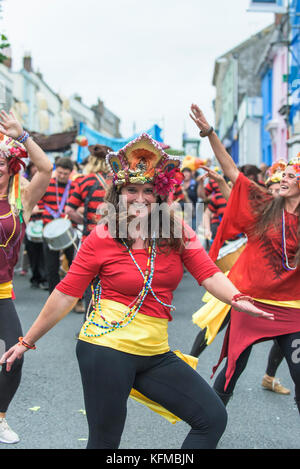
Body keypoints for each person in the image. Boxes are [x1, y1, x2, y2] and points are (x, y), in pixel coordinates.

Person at [0, 133, 273, 450]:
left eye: (148, 191)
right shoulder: (102, 236)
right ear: (119, 193)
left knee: (212, 417)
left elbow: (208, 273)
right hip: (105, 348)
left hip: (155, 352)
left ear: (161, 195)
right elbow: (65, 293)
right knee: (105, 442)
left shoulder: (176, 233)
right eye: (132, 190)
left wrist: (236, 298)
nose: (140, 198)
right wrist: (26, 341)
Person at [190, 104, 300, 412]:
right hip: (250, 303)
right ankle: (207, 429)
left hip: (291, 309)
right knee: (229, 375)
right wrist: (209, 132)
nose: (284, 179)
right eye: (285, 174)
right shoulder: (265, 205)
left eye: (292, 175)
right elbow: (232, 172)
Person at [0, 110, 52, 443]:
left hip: (2, 291)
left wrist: (22, 136)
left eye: (1, 163)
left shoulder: (21, 200)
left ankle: (0, 417)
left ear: (11, 167)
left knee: (14, 354)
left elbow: (46, 169)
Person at [65, 143, 112, 316]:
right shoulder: (118, 181)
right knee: (111, 282)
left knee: (89, 281)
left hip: (89, 239)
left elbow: (69, 210)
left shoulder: (84, 181)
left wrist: (84, 221)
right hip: (114, 239)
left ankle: (88, 322)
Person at [40, 157, 76, 295]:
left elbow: (79, 204)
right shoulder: (47, 184)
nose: (61, 176)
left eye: (65, 174)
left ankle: (75, 298)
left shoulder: (74, 186)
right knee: (51, 267)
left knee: (74, 266)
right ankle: (52, 297)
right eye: (59, 172)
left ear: (70, 173)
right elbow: (38, 201)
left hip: (68, 230)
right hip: (49, 231)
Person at [23, 162, 48, 290]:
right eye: (34, 167)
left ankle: (43, 278)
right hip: (28, 221)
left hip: (42, 220)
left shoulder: (46, 184)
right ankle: (35, 276)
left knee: (43, 252)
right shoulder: (23, 182)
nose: (35, 169)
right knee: (31, 251)